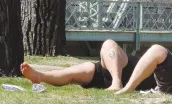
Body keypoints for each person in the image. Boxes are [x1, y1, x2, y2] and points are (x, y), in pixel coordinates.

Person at [20, 39, 156, 91]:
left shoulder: (166, 74)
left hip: (139, 78)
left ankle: (116, 83)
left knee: (78, 73)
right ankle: (40, 76)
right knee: (108, 44)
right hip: (116, 70)